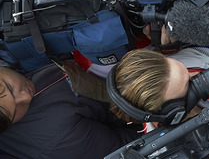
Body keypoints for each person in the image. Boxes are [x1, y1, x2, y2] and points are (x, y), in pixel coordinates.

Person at [0, 62, 139, 158]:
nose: (25, 97)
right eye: (14, 112)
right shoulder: (59, 142)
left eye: (10, 88)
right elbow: (132, 145)